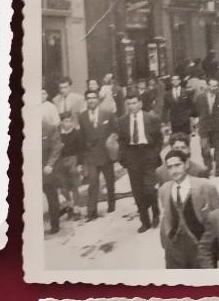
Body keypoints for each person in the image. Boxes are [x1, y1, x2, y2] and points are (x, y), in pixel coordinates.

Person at [157, 149, 219, 268]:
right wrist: (167, 243)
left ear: (186, 164)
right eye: (170, 167)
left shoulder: (205, 186)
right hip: (175, 250)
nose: (174, 170)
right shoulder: (164, 190)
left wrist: (214, 249)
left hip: (200, 247)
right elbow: (166, 216)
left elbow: (217, 218)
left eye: (177, 165)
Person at [117, 92, 162, 233]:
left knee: (150, 188)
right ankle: (145, 221)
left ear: (140, 104)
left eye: (134, 103)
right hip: (132, 155)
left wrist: (155, 154)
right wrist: (124, 158)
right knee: (137, 191)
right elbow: (122, 141)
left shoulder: (152, 119)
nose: (132, 106)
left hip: (148, 153)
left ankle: (155, 212)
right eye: (129, 104)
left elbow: (159, 138)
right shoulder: (122, 121)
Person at [78, 89, 118, 219]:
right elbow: (81, 139)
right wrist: (81, 160)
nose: (91, 100)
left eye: (93, 97)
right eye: (88, 98)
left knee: (110, 181)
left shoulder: (107, 114)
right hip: (91, 155)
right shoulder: (82, 116)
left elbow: (116, 131)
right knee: (93, 182)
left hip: (106, 154)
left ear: (97, 99)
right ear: (86, 100)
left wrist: (113, 144)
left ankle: (111, 204)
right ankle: (92, 211)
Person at [194, 76, 219, 176]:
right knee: (204, 148)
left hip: (218, 127)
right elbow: (196, 111)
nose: (213, 88)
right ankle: (208, 166)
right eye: (211, 86)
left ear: (218, 87)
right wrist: (197, 123)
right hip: (204, 127)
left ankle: (218, 169)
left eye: (215, 86)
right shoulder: (200, 98)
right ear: (207, 86)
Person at [41, 92, 65, 234]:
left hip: (46, 167)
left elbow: (57, 147)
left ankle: (55, 225)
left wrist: (50, 164)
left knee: (51, 196)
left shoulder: (49, 128)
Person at [54, 110, 85, 218]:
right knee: (63, 187)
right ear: (61, 122)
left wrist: (80, 164)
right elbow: (55, 149)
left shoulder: (76, 133)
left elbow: (81, 150)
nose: (68, 124)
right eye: (65, 121)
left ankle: (77, 209)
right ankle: (69, 204)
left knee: (75, 186)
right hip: (61, 162)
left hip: (74, 160)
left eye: (70, 121)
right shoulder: (58, 134)